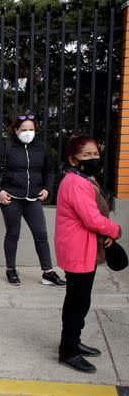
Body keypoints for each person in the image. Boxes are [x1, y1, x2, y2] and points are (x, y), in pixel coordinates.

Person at [55, 136, 121, 373]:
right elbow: (91, 218)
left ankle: (73, 341)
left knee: (79, 300)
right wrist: (115, 230)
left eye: (96, 154)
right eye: (87, 155)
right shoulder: (76, 183)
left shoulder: (85, 179)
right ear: (73, 159)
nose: (93, 158)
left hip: (87, 248)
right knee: (77, 301)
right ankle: (68, 351)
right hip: (78, 250)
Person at [0, 114, 65, 287]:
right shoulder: (7, 146)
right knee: (13, 234)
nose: (28, 132)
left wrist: (47, 188)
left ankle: (48, 273)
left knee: (41, 234)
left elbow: (49, 170)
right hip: (11, 198)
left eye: (31, 129)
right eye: (24, 129)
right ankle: (11, 270)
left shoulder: (40, 147)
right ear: (16, 130)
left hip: (33, 198)